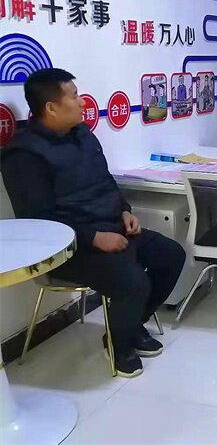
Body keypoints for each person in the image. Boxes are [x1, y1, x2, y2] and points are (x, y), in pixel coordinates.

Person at [1, 69, 186, 378]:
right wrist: (93, 237)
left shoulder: (84, 135)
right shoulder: (23, 155)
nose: (83, 102)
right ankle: (120, 346)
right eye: (74, 97)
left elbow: (105, 183)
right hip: (71, 248)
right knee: (133, 282)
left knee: (171, 256)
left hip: (114, 228)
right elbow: (38, 221)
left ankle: (126, 327)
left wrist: (125, 211)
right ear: (51, 107)